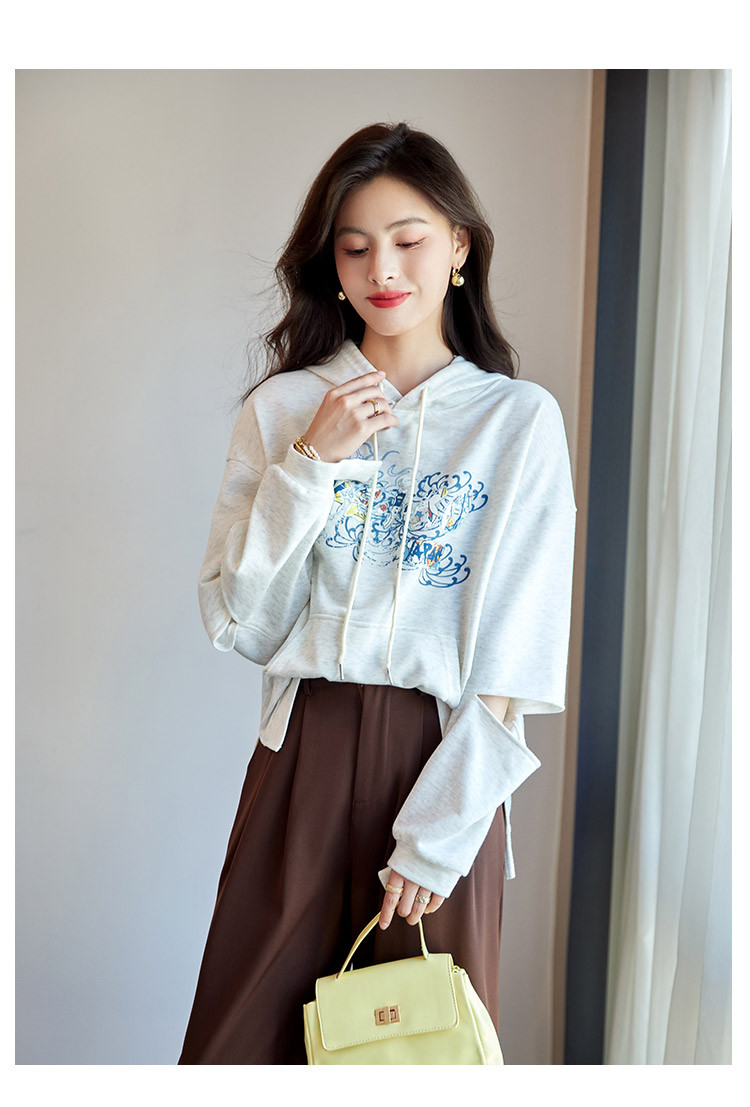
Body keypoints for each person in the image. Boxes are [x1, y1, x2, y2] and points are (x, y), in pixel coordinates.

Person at [178, 121, 577, 1065]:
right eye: (355, 247)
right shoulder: (285, 410)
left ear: (460, 248)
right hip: (304, 754)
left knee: (415, 1056)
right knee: (239, 1051)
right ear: (332, 264)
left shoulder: (516, 423)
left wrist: (440, 834)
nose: (382, 269)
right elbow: (237, 618)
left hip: (445, 760)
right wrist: (311, 465)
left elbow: (515, 660)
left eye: (409, 240)